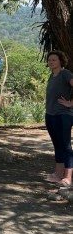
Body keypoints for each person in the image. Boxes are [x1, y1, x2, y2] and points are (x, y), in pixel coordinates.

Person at [44, 50, 73, 188]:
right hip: (50, 115)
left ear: (61, 61)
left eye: (54, 60)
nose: (51, 62)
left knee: (65, 146)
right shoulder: (52, 75)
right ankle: (58, 174)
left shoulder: (65, 73)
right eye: (49, 60)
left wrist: (71, 103)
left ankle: (68, 178)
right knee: (57, 145)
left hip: (63, 115)